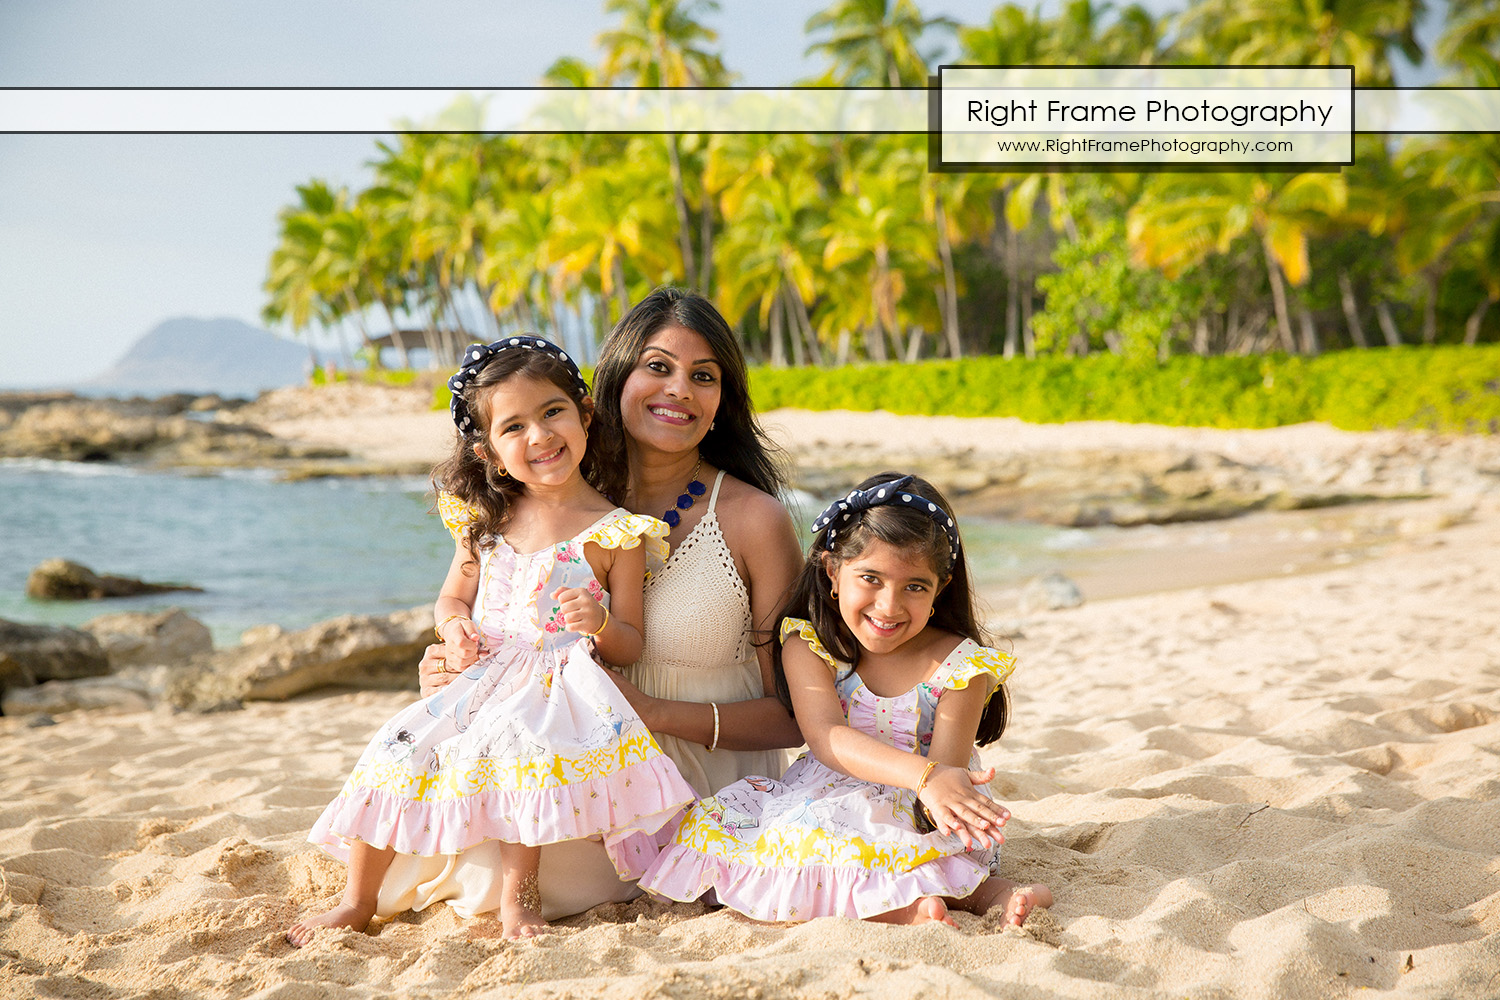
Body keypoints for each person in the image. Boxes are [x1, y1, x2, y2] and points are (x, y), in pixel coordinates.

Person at [409, 287, 806, 919]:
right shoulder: (550, 502)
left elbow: (796, 714)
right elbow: (485, 613)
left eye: (704, 377)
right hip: (571, 765)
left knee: (495, 883)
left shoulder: (755, 520)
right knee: (464, 854)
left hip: (700, 779)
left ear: (720, 403)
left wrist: (651, 713)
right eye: (658, 367)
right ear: (613, 382)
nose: (679, 389)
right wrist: (452, 669)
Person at [287, 335, 696, 945]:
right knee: (394, 748)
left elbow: (630, 644)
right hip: (483, 673)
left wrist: (599, 622)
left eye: (552, 412)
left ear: (584, 414)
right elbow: (452, 596)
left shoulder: (617, 534)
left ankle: (518, 901)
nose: (539, 436)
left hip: (557, 685)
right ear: (491, 452)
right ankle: (356, 898)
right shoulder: (485, 520)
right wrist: (454, 628)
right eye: (514, 427)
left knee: (521, 756)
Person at [641, 472, 1053, 928]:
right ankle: (911, 907)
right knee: (795, 842)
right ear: (833, 571)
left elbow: (947, 772)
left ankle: (998, 895)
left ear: (941, 589)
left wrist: (934, 788)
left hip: (925, 804)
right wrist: (926, 777)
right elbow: (824, 735)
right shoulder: (811, 643)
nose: (889, 605)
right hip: (831, 787)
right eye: (871, 578)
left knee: (934, 857)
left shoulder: (960, 665)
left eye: (915, 586)